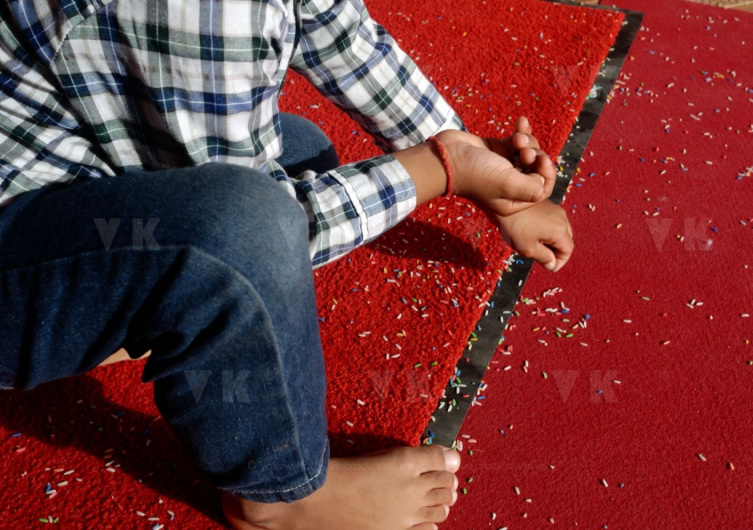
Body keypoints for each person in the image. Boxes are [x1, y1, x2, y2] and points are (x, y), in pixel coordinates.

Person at [0, 0, 573, 528]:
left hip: (57, 167)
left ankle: (128, 313)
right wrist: (443, 169)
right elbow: (253, 227)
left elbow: (342, 36)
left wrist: (483, 173)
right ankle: (276, 499)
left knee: (302, 149)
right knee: (244, 228)